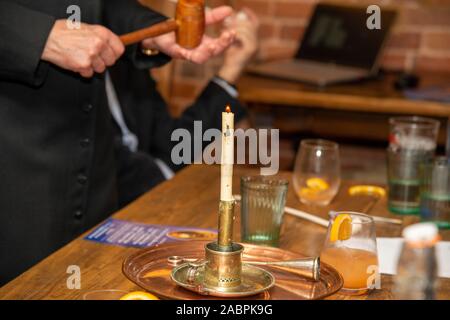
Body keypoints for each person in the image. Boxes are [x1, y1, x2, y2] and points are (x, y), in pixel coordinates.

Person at [0, 0, 235, 285]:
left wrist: (151, 30)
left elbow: (101, 4)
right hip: (15, 179)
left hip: (94, 182)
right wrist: (42, 36)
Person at [107, 9, 260, 207]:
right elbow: (124, 180)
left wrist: (232, 66)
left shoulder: (125, 58)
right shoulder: (60, 63)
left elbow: (174, 147)